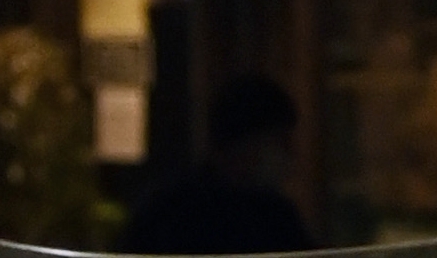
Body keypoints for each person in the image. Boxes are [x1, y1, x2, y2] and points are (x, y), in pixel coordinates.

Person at [118, 72, 316, 255]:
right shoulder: (169, 213)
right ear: (248, 144)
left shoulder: (277, 216)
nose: (292, 154)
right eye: (281, 142)